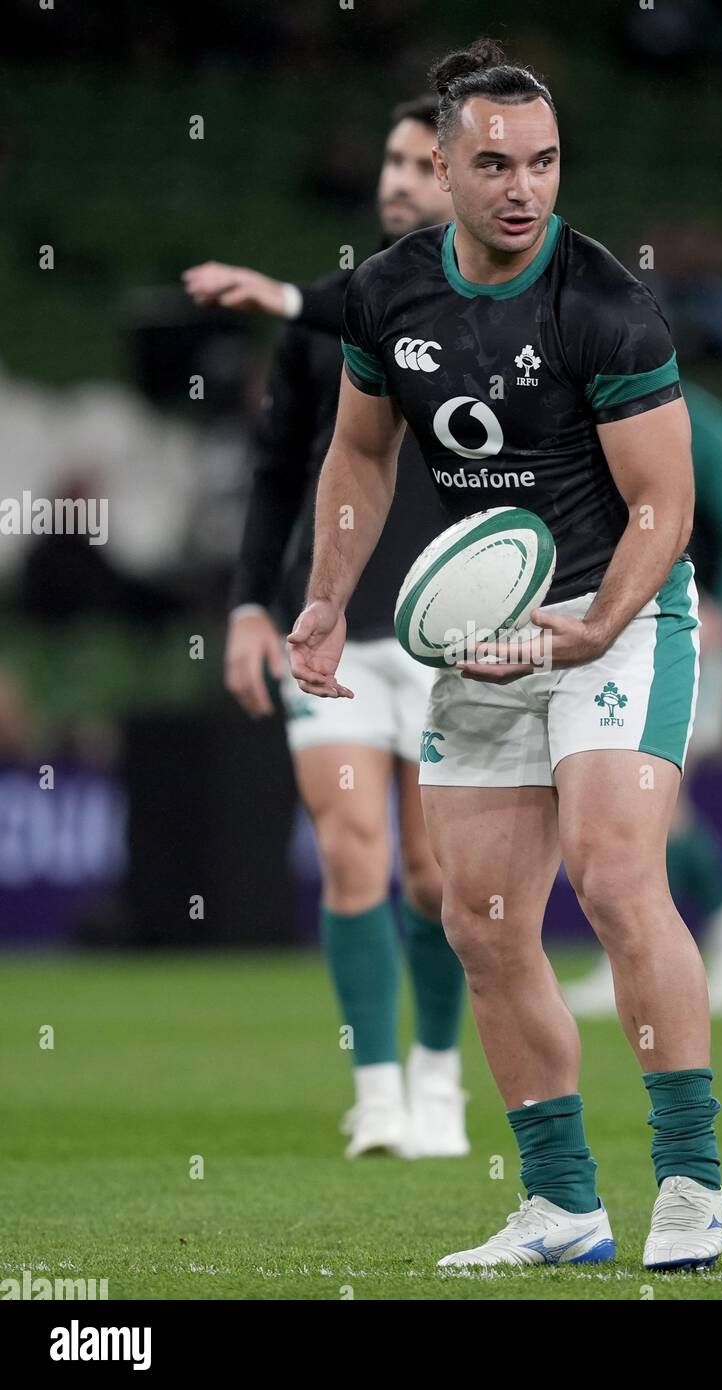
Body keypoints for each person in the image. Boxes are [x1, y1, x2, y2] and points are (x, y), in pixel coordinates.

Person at [288, 39, 722, 1271]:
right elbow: (361, 457)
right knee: (481, 920)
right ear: (441, 163)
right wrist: (325, 599)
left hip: (618, 616)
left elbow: (664, 508)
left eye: (541, 161)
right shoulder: (385, 294)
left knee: (612, 875)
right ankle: (561, 1204)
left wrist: (594, 624)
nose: (523, 186)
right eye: (492, 163)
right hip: (481, 637)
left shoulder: (602, 302)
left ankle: (691, 1181)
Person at [183, 97, 469, 1161]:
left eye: (418, 162)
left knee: (437, 878)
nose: (396, 176)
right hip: (333, 630)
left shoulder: (501, 312)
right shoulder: (328, 325)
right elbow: (275, 473)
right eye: (389, 157)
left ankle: (441, 1078)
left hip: (448, 639)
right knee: (355, 855)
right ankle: (379, 1090)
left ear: (459, 176)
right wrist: (251, 603)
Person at [565, 379, 722, 1019]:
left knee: (645, 791)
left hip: (682, 620)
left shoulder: (703, 428)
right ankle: (721, 929)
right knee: (637, 797)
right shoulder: (598, 414)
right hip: (624, 618)